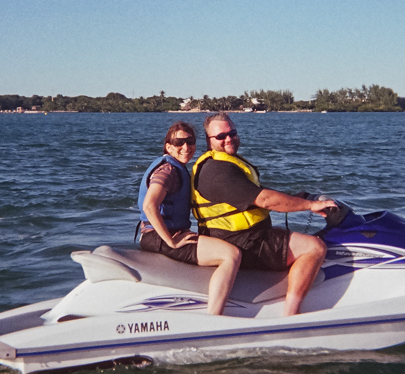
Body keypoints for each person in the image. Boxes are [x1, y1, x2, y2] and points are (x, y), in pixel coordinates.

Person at [192, 113, 337, 316]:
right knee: (314, 247)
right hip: (243, 242)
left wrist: (300, 197)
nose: (228, 139)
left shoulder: (226, 163)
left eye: (232, 133)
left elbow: (256, 195)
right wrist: (309, 205)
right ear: (209, 141)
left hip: (246, 236)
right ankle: (291, 316)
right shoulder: (217, 172)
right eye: (221, 136)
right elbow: (266, 200)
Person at [138, 121, 241, 315]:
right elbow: (149, 205)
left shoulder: (173, 167)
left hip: (156, 236)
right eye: (179, 142)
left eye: (190, 141)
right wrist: (171, 241)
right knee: (231, 255)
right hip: (159, 237)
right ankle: (215, 318)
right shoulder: (168, 171)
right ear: (168, 147)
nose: (186, 147)